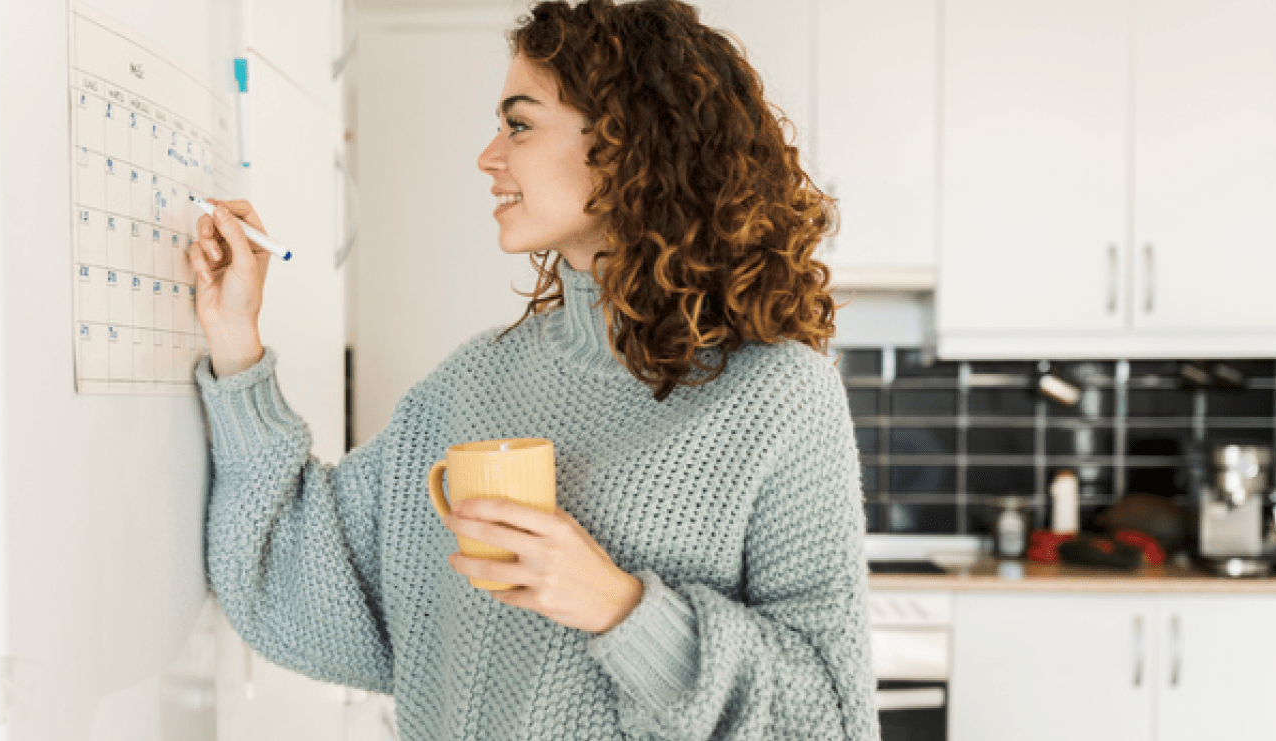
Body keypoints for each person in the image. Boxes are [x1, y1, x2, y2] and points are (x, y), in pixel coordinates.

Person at [188, 1, 877, 739]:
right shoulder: (472, 385)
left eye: (519, 124)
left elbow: (830, 719)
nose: (489, 156)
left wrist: (621, 607)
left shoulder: (779, 397)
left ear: (630, 143)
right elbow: (296, 580)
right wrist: (237, 342)